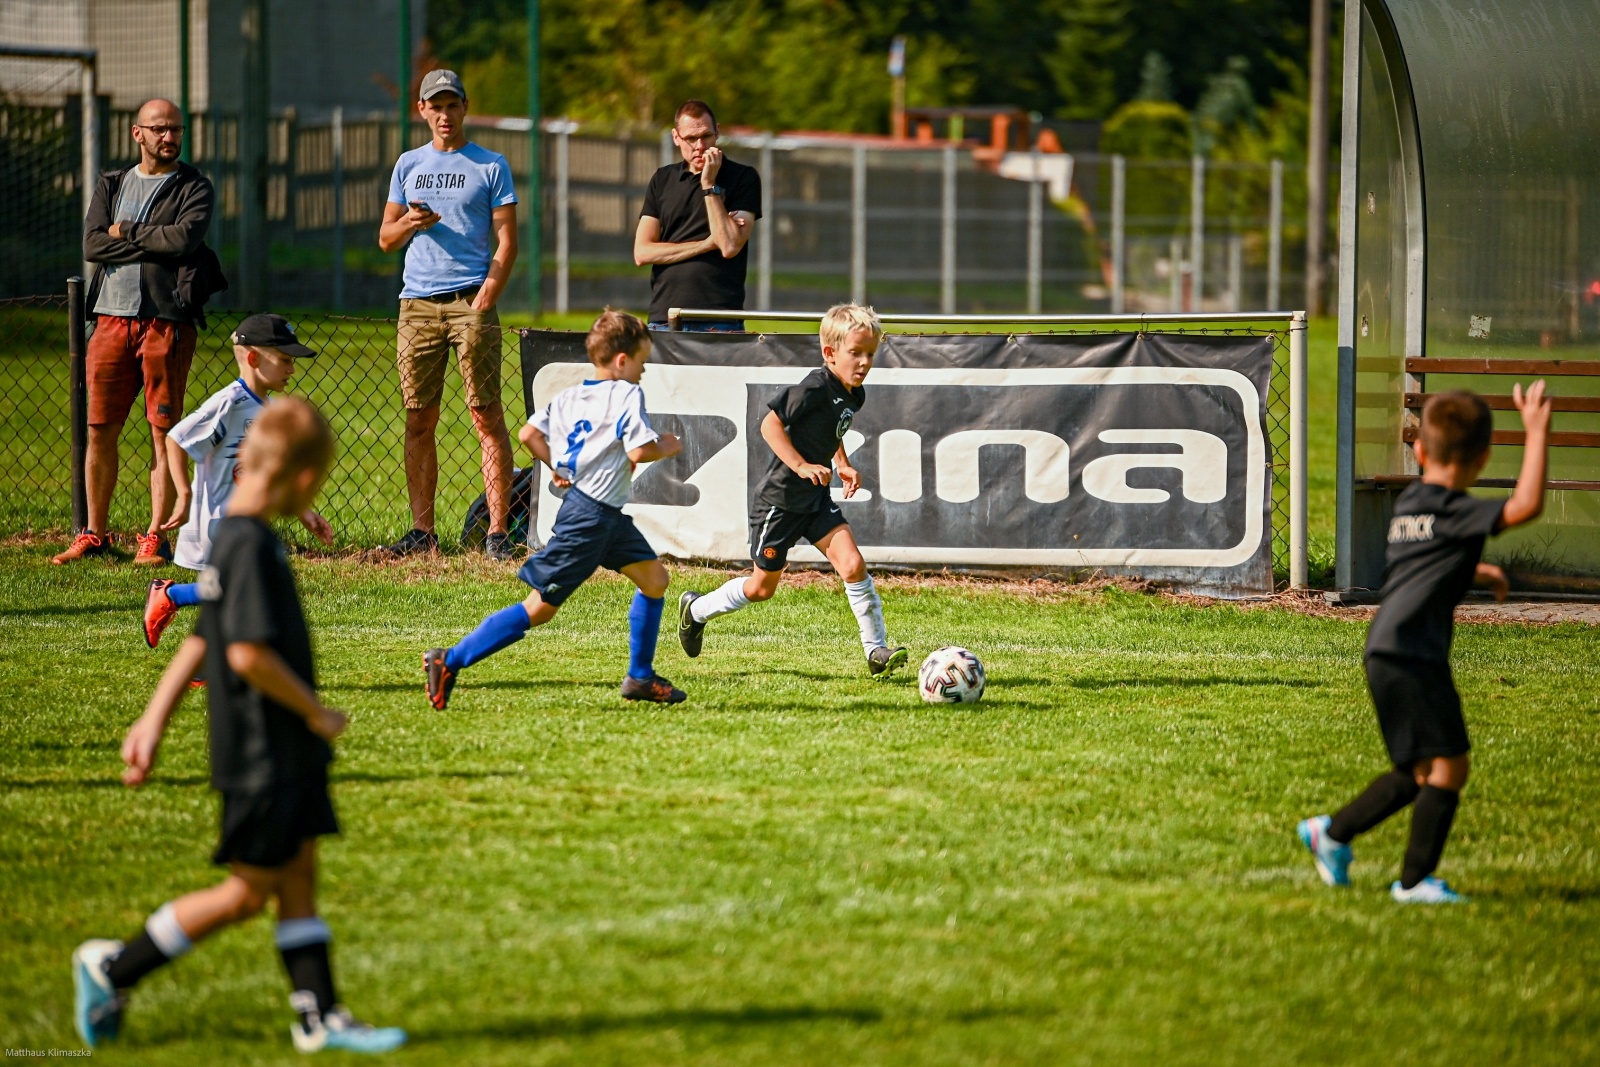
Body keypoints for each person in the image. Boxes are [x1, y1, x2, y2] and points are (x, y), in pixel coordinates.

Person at [72, 397, 406, 1054]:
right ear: (304, 479)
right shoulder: (249, 543)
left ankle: (321, 1015)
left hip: (285, 747)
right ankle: (112, 967)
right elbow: (244, 652)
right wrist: (313, 710)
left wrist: (153, 718)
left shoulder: (236, 538)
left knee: (301, 870)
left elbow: (203, 637)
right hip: (262, 748)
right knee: (248, 892)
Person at [1297, 384, 1552, 904]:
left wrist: (1473, 569)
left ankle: (1335, 832)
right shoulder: (1460, 510)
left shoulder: (1411, 500)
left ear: (1419, 451)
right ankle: (1414, 884)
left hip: (1386, 647)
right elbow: (1524, 505)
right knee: (1449, 767)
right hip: (1414, 652)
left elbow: (1419, 559)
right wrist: (1537, 430)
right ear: (1482, 457)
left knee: (1418, 773)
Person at [423, 310, 688, 708]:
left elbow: (529, 434)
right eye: (642, 364)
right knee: (540, 608)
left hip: (604, 514)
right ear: (621, 361)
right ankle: (450, 659)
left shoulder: (570, 396)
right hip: (590, 520)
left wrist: (557, 468)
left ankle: (640, 676)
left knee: (655, 581)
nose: (642, 372)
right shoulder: (626, 393)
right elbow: (638, 450)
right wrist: (665, 446)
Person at [677, 303, 907, 677]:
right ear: (830, 354)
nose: (864, 362)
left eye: (870, 354)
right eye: (856, 353)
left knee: (852, 565)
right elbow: (770, 425)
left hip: (814, 500)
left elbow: (832, 429)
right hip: (779, 503)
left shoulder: (853, 392)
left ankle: (876, 651)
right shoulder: (814, 387)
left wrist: (842, 463)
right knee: (761, 588)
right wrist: (800, 465)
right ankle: (696, 609)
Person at [58, 98, 218, 566]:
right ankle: (94, 533)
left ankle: (155, 536)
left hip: (165, 321)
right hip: (109, 319)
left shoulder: (194, 186)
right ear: (138, 133)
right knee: (99, 429)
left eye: (176, 130)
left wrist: (125, 231)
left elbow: (183, 240)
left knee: (162, 432)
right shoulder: (112, 183)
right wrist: (151, 239)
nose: (170, 137)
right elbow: (92, 243)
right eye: (160, 129)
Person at [378, 69, 519, 560]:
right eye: (434, 106)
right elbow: (386, 238)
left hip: (470, 302)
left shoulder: (490, 165)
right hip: (416, 303)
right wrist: (411, 221)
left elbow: (507, 240)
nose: (444, 114)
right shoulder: (408, 165)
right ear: (421, 111)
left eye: (451, 104)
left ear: (464, 107)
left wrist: (488, 294)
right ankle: (423, 533)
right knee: (419, 419)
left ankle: (497, 534)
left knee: (486, 416)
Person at [143, 314, 334, 650]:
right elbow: (176, 438)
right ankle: (173, 602)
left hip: (243, 521)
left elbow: (269, 474)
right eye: (285, 360)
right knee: (237, 589)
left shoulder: (270, 411)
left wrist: (304, 513)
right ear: (252, 358)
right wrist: (184, 494)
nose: (292, 369)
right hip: (214, 520)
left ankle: (176, 609)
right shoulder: (229, 403)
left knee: (230, 589)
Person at [634, 100, 761, 331]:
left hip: (719, 318)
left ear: (718, 133)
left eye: (706, 136)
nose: (699, 146)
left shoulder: (743, 178)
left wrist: (709, 185)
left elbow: (729, 245)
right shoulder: (662, 179)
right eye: (690, 139)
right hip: (666, 318)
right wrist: (706, 244)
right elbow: (642, 252)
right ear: (676, 137)